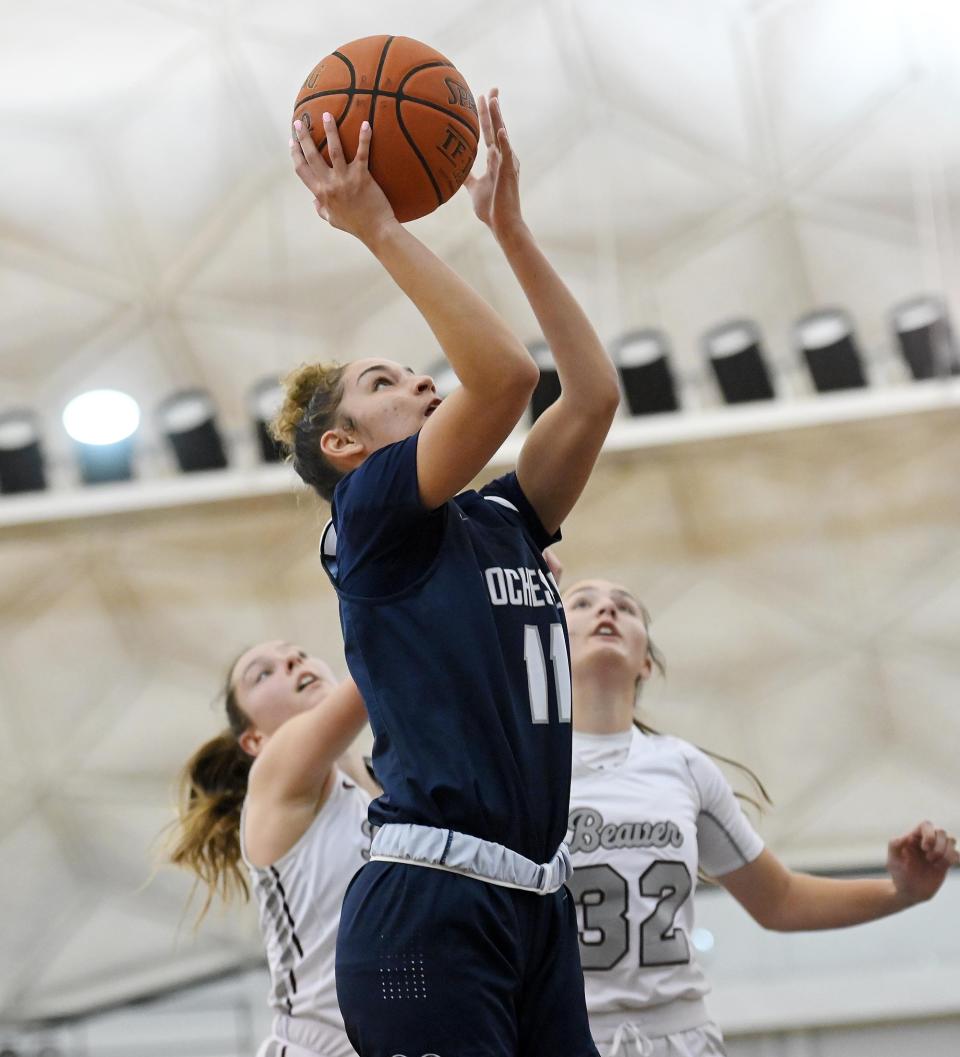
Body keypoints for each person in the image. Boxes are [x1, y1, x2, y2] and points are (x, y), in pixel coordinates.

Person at [280, 89, 620, 1057]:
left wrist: (508, 230)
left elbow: (589, 393)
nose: (425, 380)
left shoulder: (503, 517)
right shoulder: (374, 516)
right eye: (386, 382)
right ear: (344, 445)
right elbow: (508, 375)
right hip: (430, 905)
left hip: (535, 900)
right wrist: (377, 227)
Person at [563, 577, 960, 1057]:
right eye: (583, 602)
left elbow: (780, 899)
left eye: (625, 608)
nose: (606, 610)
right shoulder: (521, 767)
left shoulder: (683, 767)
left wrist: (903, 892)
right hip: (563, 1034)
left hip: (680, 1038)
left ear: (646, 661)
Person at [168, 641, 376, 1057]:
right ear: (254, 740)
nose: (292, 661)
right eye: (263, 673)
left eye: (298, 653)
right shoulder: (275, 783)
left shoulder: (392, 781)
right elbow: (385, 665)